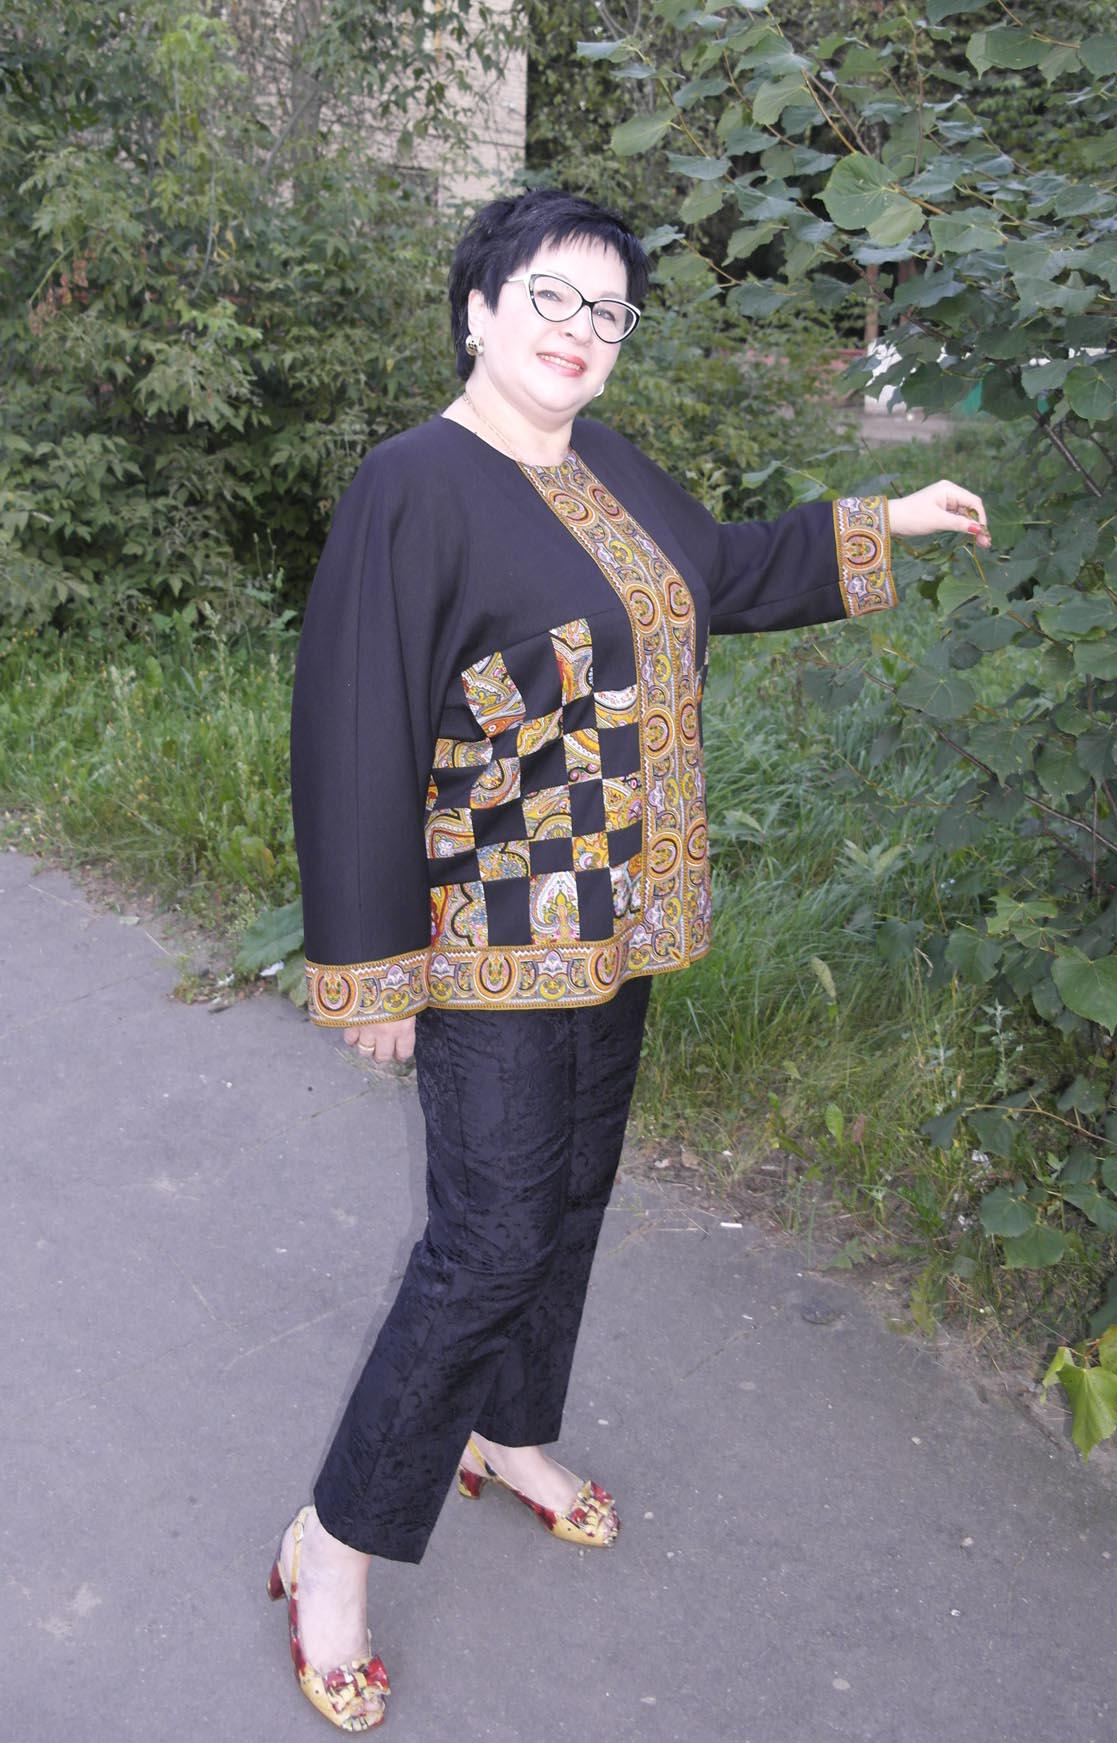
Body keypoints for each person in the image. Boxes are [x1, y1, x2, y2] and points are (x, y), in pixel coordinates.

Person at [271, 186, 991, 1731]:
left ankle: (508, 1431)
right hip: (486, 945)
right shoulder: (413, 485)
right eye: (550, 296)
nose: (580, 332)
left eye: (606, 311)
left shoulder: (604, 461)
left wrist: (886, 520)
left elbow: (721, 571)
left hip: (619, 927)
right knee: (484, 1247)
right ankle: (333, 1541)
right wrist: (373, 972)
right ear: (477, 307)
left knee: (571, 1204)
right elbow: (353, 727)